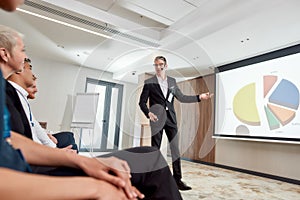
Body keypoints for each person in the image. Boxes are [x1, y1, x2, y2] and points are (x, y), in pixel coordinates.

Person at [0, 7, 182, 199]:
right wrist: (93, 186)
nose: (26, 58)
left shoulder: (7, 90)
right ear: (5, 54)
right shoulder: (8, 91)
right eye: (22, 50)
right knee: (150, 158)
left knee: (149, 156)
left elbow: (10, 139)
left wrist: (76, 159)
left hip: (31, 166)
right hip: (29, 176)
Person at [139, 55, 213, 190]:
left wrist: (199, 97)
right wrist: (148, 113)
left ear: (165, 66)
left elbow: (182, 98)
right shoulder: (149, 82)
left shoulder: (172, 81)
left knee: (175, 150)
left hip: (171, 119)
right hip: (156, 120)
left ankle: (177, 180)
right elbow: (142, 102)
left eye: (160, 64)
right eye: (155, 65)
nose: (158, 67)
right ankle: (153, 180)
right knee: (155, 150)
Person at [6, 58, 78, 152]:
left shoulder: (20, 98)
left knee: (70, 139)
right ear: (20, 69)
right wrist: (55, 152)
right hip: (34, 153)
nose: (32, 74)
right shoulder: (10, 96)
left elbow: (34, 127)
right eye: (30, 68)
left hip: (38, 149)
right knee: (71, 144)